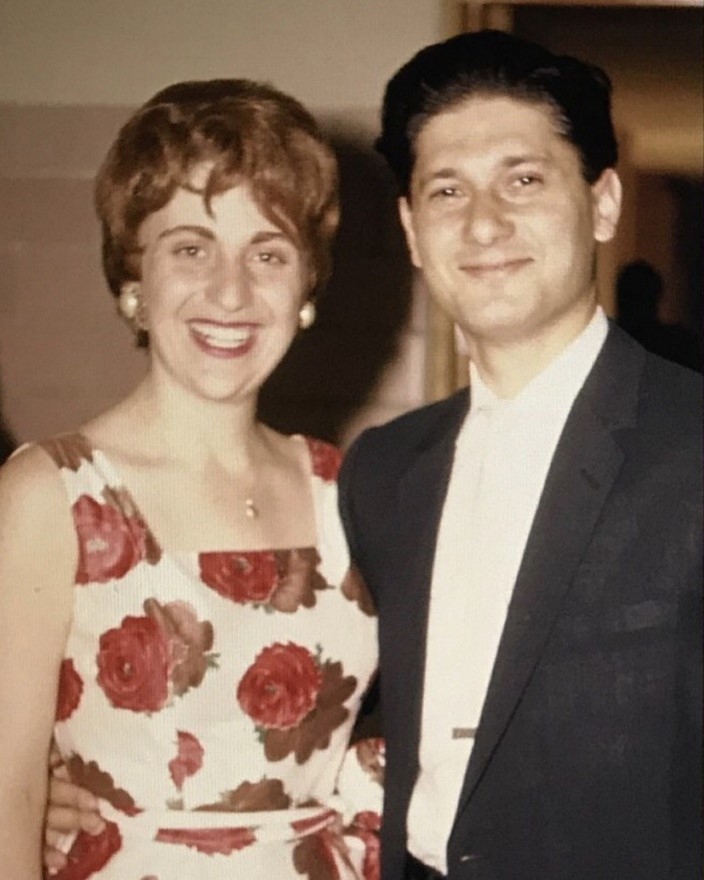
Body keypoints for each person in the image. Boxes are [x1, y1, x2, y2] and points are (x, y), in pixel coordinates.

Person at [337, 30, 702, 880]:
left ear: (602, 203)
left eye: (524, 180)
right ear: (412, 229)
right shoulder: (381, 471)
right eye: (447, 190)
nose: (484, 223)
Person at [0, 79, 382, 880]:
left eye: (268, 253)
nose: (230, 292)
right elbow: (7, 800)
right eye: (190, 248)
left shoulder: (350, 490)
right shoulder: (50, 495)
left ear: (306, 288)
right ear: (134, 278)